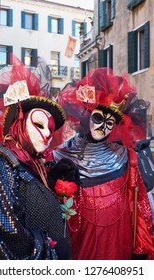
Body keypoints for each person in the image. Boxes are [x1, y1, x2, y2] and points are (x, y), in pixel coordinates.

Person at [48, 68, 154, 260]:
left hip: (117, 242)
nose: (102, 127)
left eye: (110, 122)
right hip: (79, 245)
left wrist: (140, 252)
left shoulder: (126, 157)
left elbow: (139, 208)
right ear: (88, 116)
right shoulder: (59, 156)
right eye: (98, 118)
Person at [0, 60, 76, 260]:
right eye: (40, 124)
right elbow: (1, 231)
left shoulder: (32, 166)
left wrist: (50, 183)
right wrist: (49, 251)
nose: (47, 134)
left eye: (51, 130)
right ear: (19, 123)